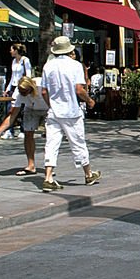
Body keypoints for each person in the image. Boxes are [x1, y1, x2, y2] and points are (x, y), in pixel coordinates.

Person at [39, 36, 100, 191]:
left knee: (51, 144)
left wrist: (50, 105)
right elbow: (79, 89)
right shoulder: (75, 66)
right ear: (69, 50)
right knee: (78, 142)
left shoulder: (48, 66)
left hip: (54, 111)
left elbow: (44, 91)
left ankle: (48, 177)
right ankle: (88, 174)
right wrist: (89, 100)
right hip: (71, 111)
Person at [0, 76, 49, 176]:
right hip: (31, 108)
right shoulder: (19, 93)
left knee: (50, 137)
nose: (23, 94)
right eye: (21, 92)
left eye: (25, 92)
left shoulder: (43, 85)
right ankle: (31, 165)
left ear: (31, 88)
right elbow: (13, 115)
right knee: (28, 134)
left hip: (48, 108)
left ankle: (49, 167)